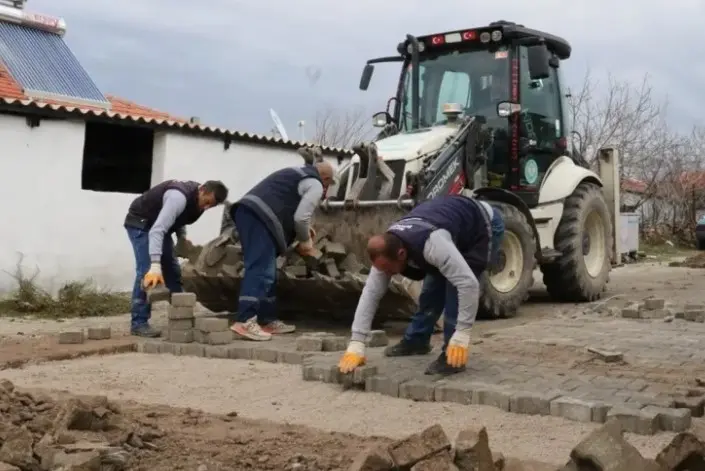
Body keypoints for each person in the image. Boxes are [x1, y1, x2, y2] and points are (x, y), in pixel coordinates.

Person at [338, 194, 505, 376]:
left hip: (481, 225)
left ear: (402, 254)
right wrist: (356, 343)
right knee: (431, 291)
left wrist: (463, 333)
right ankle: (417, 341)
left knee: (454, 290)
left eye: (388, 269)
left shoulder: (432, 245)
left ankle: (453, 354)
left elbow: (468, 284)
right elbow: (371, 294)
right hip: (447, 227)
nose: (385, 275)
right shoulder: (386, 250)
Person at [229, 161, 335, 341]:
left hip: (251, 213)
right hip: (259, 217)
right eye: (328, 186)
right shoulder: (315, 183)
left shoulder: (296, 174)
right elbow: (301, 218)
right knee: (260, 268)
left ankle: (267, 319)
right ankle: (245, 320)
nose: (325, 192)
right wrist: (306, 242)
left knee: (268, 271)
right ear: (326, 179)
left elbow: (288, 205)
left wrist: (304, 229)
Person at [124, 179, 229, 337]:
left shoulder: (198, 202)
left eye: (211, 206)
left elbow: (180, 218)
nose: (206, 207)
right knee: (147, 271)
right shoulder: (177, 197)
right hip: (141, 223)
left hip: (159, 226)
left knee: (173, 270)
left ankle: (182, 317)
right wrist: (155, 264)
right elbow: (157, 230)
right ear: (202, 191)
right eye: (207, 202)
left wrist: (181, 238)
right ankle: (139, 323)